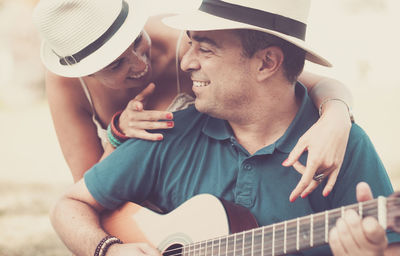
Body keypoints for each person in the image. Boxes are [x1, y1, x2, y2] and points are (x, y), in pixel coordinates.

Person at [48, 0, 400, 256]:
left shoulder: (340, 146)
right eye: (191, 44)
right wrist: (110, 253)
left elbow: (391, 252)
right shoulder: (168, 133)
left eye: (205, 48)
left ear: (266, 63)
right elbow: (72, 204)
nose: (186, 63)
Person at [32, 0, 355, 201]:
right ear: (84, 73)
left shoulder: (185, 42)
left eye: (135, 40)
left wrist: (335, 119)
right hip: (137, 205)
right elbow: (88, 188)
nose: (139, 63)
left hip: (203, 196)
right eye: (116, 64)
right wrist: (116, 135)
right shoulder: (67, 85)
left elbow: (291, 77)